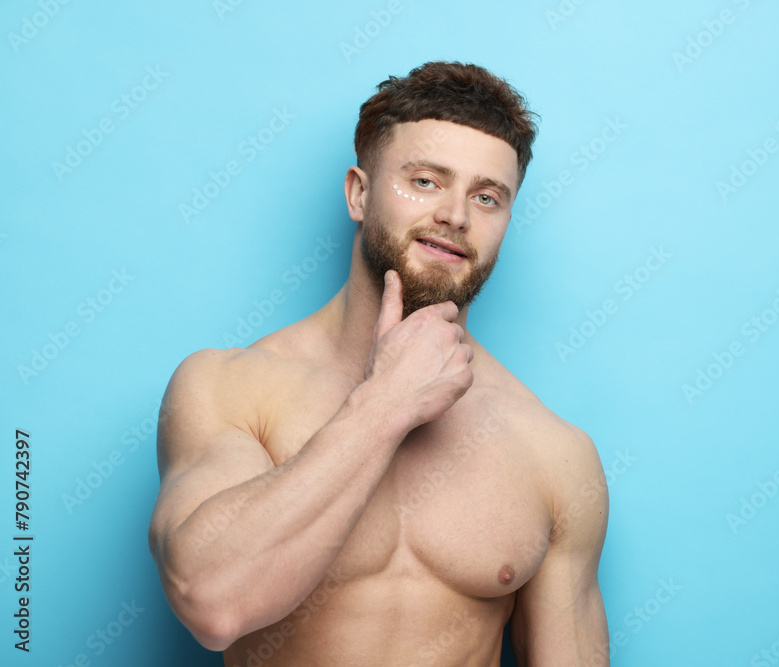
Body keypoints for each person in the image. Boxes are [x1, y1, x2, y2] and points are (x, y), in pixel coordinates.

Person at [148, 60, 610, 667]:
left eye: (487, 197)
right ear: (358, 194)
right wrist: (387, 402)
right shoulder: (230, 390)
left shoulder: (554, 452)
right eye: (425, 181)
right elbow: (211, 602)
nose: (456, 215)